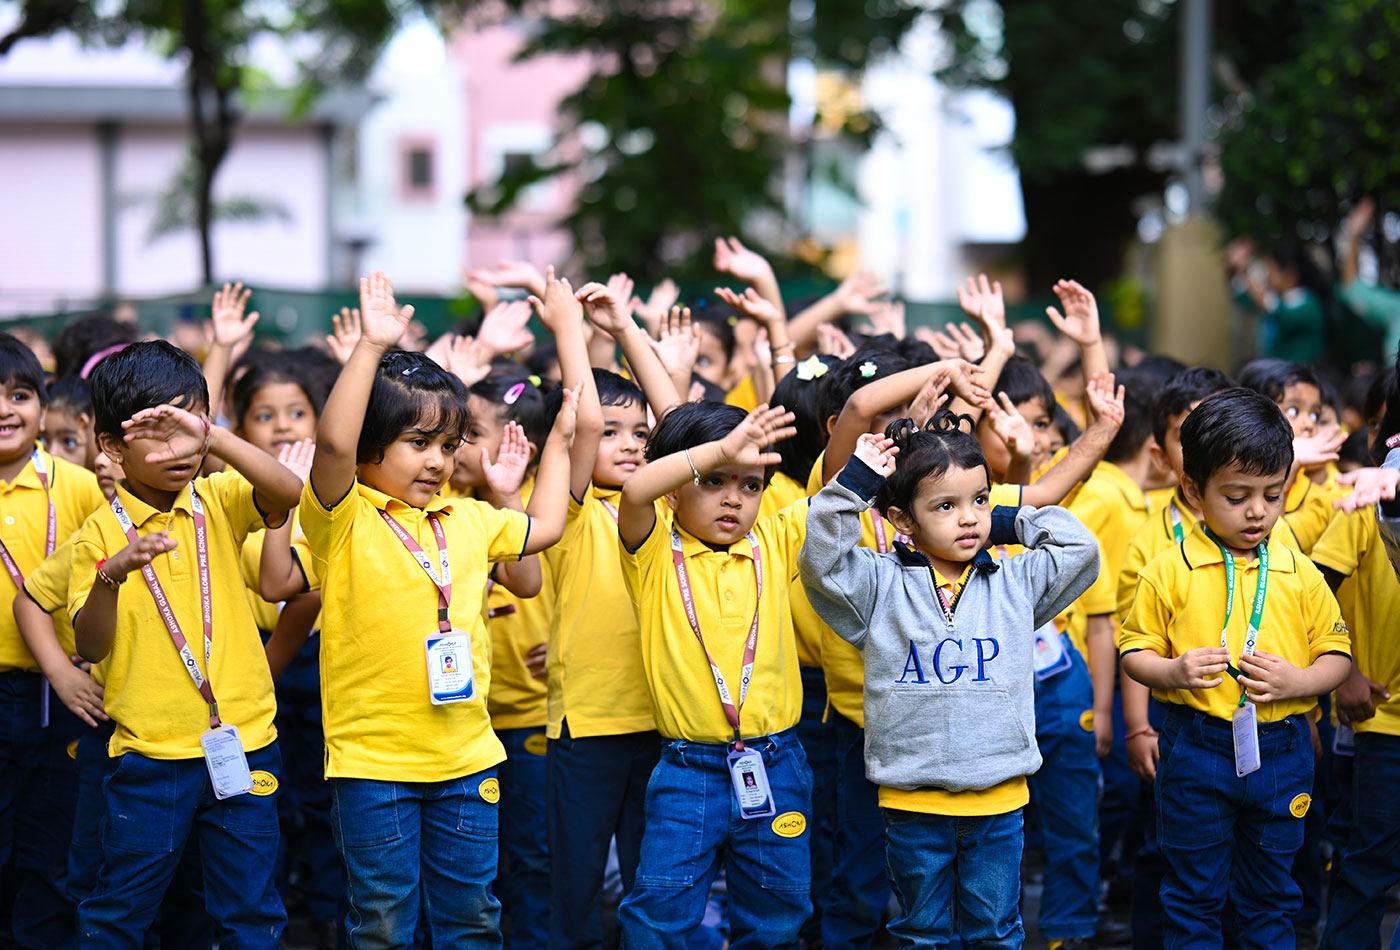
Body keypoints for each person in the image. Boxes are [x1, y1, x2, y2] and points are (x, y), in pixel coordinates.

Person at [302, 271, 576, 948]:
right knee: (384, 924)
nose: (437, 462)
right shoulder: (346, 517)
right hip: (374, 767)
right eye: (417, 443)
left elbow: (543, 531)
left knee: (472, 919)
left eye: (449, 446)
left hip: (467, 760)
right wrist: (370, 346)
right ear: (372, 446)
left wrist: (568, 437)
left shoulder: (472, 517)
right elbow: (333, 447)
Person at [800, 414, 1099, 948]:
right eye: (945, 506)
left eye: (978, 501)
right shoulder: (877, 584)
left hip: (998, 801)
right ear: (902, 520)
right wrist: (857, 483)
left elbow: (1081, 551)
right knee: (922, 934)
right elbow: (821, 561)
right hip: (913, 804)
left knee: (996, 933)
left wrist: (1008, 520)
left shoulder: (1016, 583)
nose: (968, 519)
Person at [68, 339, 304, 948]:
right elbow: (90, 646)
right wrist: (110, 575)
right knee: (118, 912)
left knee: (251, 913)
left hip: (245, 746)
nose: (178, 448)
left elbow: (288, 492)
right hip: (150, 759)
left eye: (188, 423)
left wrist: (214, 436)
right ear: (113, 448)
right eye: (156, 431)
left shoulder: (219, 500)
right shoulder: (96, 533)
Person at [1120, 388, 1352, 950]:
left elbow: (1337, 655)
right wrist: (1171, 672)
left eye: (1272, 495)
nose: (1257, 511)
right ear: (1193, 491)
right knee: (1193, 896)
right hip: (1196, 747)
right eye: (1237, 495)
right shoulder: (1166, 570)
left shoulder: (1299, 569)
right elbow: (1134, 651)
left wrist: (1302, 682)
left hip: (1282, 747)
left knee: (1272, 896)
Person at [614, 401, 812, 950]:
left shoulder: (772, 543)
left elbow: (841, 493)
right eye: (714, 480)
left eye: (751, 486)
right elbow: (635, 491)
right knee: (659, 916)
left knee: (778, 915)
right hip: (688, 772)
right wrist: (722, 448)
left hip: (776, 763)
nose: (733, 498)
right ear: (676, 487)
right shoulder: (653, 549)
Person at [0, 333, 107, 949]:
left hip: (65, 692)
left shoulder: (77, 485)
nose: (5, 410)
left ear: (43, 406)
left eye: (19, 395)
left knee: (53, 841)